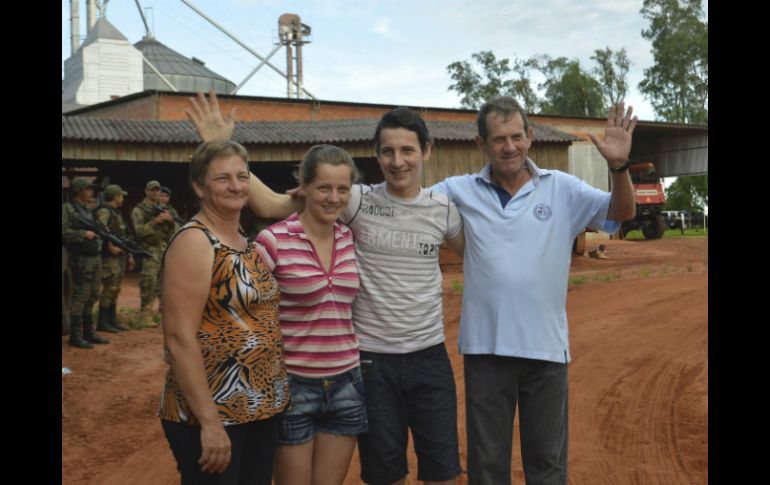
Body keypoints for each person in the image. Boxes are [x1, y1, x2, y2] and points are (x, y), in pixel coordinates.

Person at [186, 90, 465, 485]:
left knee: (443, 471)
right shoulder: (354, 200)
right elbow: (268, 206)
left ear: (427, 151)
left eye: (407, 150)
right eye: (388, 151)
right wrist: (217, 144)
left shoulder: (445, 208)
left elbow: (480, 255)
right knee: (386, 474)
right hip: (370, 361)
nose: (398, 161)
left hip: (428, 355)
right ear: (377, 155)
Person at [430, 96, 637, 485]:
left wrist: (618, 166)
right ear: (481, 144)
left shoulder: (562, 189)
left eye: (515, 136)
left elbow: (621, 213)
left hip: (545, 351)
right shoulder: (457, 190)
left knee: (547, 464)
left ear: (530, 136)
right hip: (485, 350)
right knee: (487, 465)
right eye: (498, 139)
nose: (508, 147)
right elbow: (407, 203)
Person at [158, 140, 290, 485]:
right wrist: (211, 423)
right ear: (199, 186)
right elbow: (178, 338)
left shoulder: (242, 238)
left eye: (242, 176)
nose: (236, 186)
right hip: (215, 413)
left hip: (259, 407)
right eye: (222, 179)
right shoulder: (195, 241)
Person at [256, 144, 367, 485]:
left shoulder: (349, 237)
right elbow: (251, 314)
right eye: (323, 187)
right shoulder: (272, 241)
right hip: (293, 384)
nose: (334, 198)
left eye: (342, 189)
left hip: (347, 381)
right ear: (301, 188)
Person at [62, 177, 110, 348]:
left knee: (93, 294)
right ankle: (75, 336)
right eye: (88, 189)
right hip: (80, 258)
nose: (91, 192)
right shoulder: (68, 209)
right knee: (81, 295)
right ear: (79, 191)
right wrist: (83, 234)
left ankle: (88, 332)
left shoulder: (88, 209)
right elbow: (64, 230)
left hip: (94, 256)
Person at [131, 180, 176, 326]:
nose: (155, 192)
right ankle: (145, 314)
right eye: (152, 190)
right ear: (146, 191)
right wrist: (155, 222)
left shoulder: (163, 209)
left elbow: (176, 231)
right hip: (149, 250)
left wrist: (170, 221)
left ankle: (160, 310)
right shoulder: (139, 210)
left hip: (164, 249)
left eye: (157, 190)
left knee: (163, 283)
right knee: (148, 281)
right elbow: (138, 232)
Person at [94, 184, 134, 333]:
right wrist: (110, 247)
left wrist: (128, 254)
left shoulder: (116, 212)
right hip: (109, 257)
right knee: (109, 288)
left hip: (119, 256)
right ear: (116, 196)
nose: (122, 199)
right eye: (121, 196)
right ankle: (102, 322)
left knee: (115, 289)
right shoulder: (105, 211)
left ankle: (112, 319)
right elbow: (101, 229)